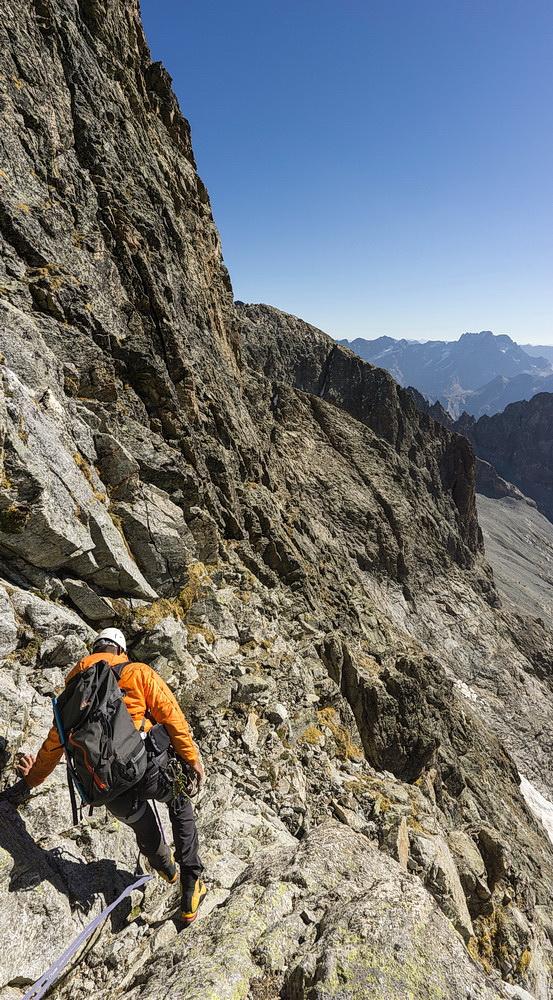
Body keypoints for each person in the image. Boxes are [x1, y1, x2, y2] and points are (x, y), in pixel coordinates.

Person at [4, 627, 207, 925]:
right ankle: (190, 887)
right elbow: (172, 716)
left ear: (94, 649)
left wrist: (29, 781)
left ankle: (165, 868)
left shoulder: (72, 695)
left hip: (106, 786)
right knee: (179, 802)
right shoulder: (137, 672)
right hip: (148, 768)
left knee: (140, 822)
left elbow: (53, 747)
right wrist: (192, 759)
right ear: (120, 651)